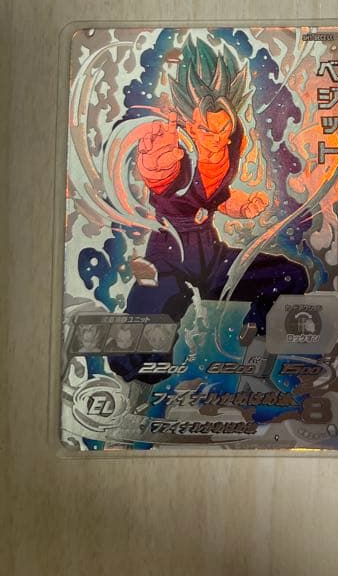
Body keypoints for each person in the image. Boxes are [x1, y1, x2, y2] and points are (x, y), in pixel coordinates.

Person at [107, 39, 308, 385]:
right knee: (141, 337)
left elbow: (214, 199)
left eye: (223, 132)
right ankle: (138, 376)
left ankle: (255, 328)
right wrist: (156, 170)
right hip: (169, 256)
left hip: (211, 257)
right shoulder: (173, 151)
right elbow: (164, 182)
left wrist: (241, 206)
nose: (217, 140)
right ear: (189, 125)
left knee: (290, 276)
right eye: (206, 131)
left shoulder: (227, 149)